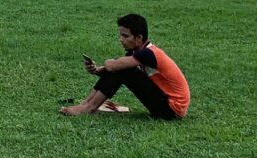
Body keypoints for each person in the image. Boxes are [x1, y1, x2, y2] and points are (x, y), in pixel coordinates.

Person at [60, 13, 190, 120]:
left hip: (171, 110)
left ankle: (89, 108)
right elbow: (114, 70)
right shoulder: (137, 53)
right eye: (121, 35)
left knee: (122, 68)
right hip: (165, 105)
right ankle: (85, 105)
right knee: (120, 68)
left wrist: (108, 63)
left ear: (139, 38)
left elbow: (113, 66)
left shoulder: (149, 53)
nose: (121, 39)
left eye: (125, 36)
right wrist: (98, 70)